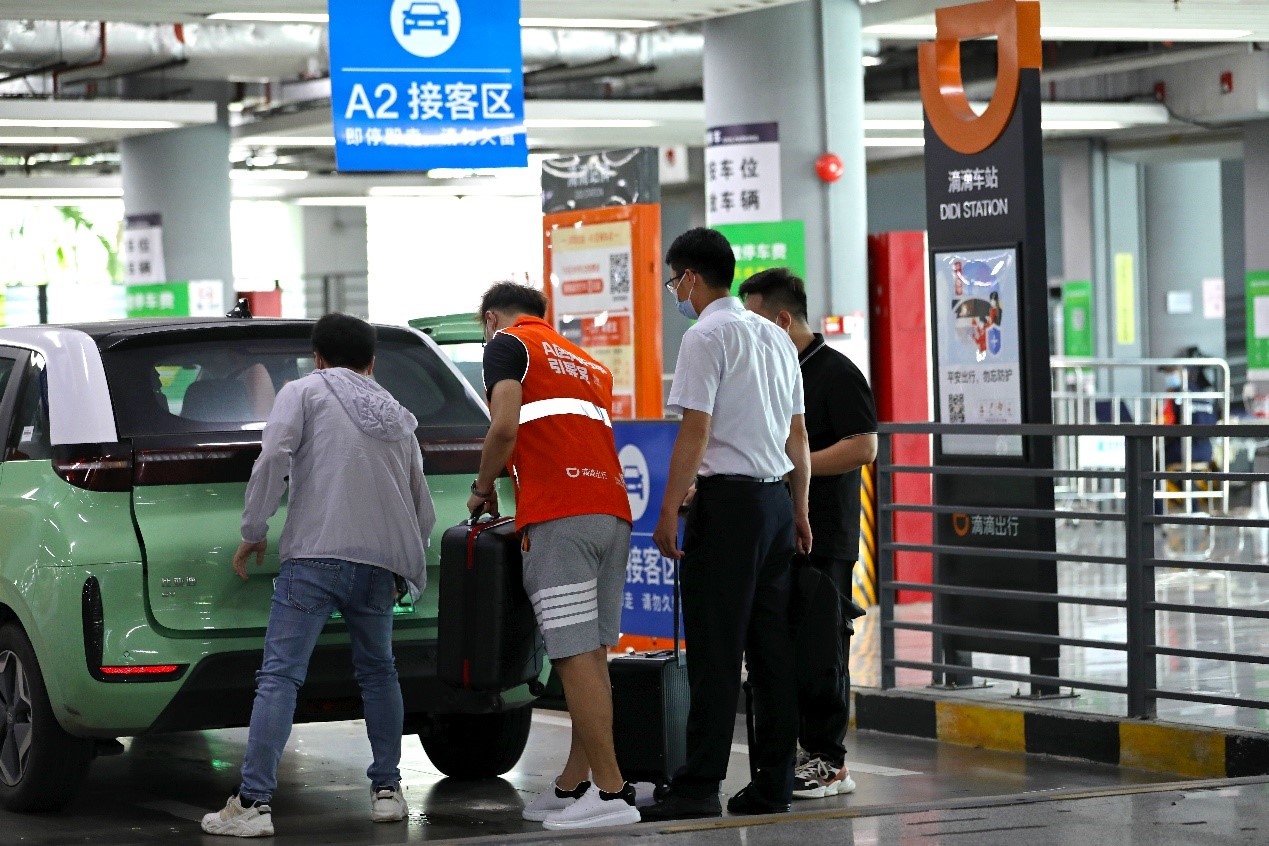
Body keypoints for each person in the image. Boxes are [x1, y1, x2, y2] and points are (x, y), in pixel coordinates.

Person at [202, 313, 436, 837]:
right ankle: (387, 791)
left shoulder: (303, 392)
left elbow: (273, 457)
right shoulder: (396, 412)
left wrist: (254, 527)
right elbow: (419, 500)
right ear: (371, 362)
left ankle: (253, 803)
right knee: (379, 673)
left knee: (280, 676)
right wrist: (408, 563)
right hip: (379, 565)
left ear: (318, 357)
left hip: (315, 557)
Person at [642, 228, 812, 821]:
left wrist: (668, 509)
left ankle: (698, 786)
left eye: (674, 281)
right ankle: (774, 785)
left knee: (715, 650)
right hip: (774, 507)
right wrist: (800, 509)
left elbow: (696, 429)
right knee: (771, 652)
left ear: (691, 277)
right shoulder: (775, 336)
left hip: (729, 510)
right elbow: (797, 435)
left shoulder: (704, 336)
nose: (675, 292)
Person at [466, 281, 640, 830]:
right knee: (590, 655)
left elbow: (504, 427)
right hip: (611, 512)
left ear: (491, 318)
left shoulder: (507, 344)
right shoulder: (586, 362)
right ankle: (575, 783)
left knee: (572, 656)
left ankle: (610, 791)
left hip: (560, 516)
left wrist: (482, 486)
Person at [739, 268, 877, 800]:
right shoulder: (768, 371)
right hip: (775, 530)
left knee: (823, 652)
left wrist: (798, 466)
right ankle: (799, 750)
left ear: (781, 319)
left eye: (755, 320)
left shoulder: (835, 372)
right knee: (783, 650)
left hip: (824, 532)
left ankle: (829, 761)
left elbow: (864, 446)